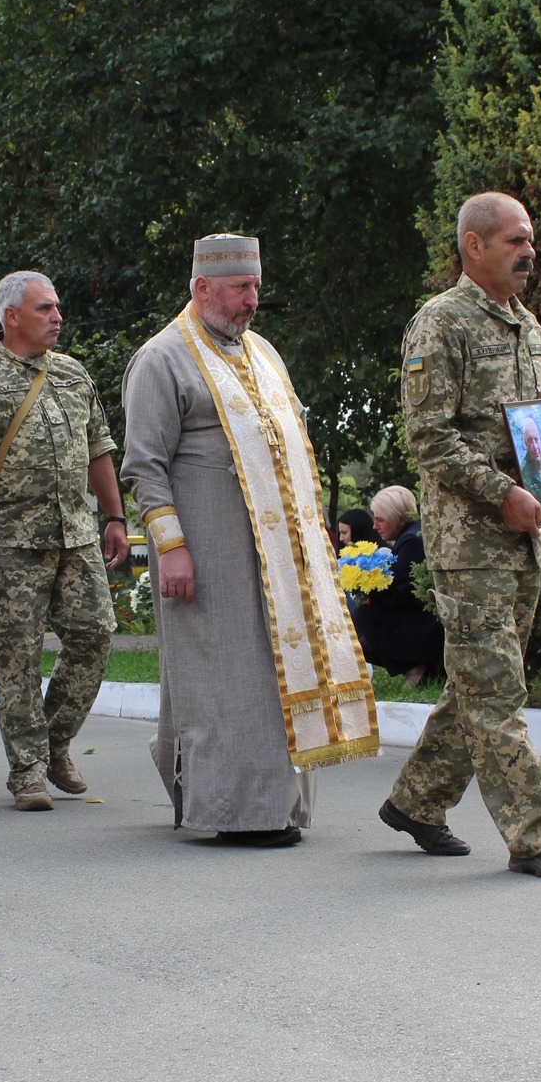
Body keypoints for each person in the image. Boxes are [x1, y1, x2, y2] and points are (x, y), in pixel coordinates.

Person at [121, 234, 378, 845]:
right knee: (221, 679)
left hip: (278, 562)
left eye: (256, 287)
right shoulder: (161, 359)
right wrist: (171, 547)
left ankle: (275, 805)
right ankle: (234, 812)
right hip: (206, 551)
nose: (251, 301)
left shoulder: (262, 352)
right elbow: (144, 466)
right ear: (202, 288)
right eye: (240, 289)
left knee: (271, 675)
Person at [376, 191, 541, 879]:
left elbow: (537, 427)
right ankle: (537, 836)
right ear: (474, 245)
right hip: (470, 547)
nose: (529, 251)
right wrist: (500, 493)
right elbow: (429, 438)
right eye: (514, 240)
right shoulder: (439, 324)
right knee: (498, 692)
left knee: (476, 684)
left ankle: (417, 800)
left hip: (526, 536)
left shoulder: (529, 328)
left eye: (530, 238)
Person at [0, 271, 128, 811]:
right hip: (11, 544)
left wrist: (113, 515)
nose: (57, 317)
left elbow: (99, 447)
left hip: (77, 537)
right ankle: (27, 771)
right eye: (45, 308)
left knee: (94, 638)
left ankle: (54, 743)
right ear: (12, 317)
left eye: (58, 307)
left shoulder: (72, 373)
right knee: (17, 658)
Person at [351, 485, 445, 686]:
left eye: (380, 519)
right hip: (430, 618)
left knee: (363, 616)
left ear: (396, 516)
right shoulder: (414, 534)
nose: (375, 526)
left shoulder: (411, 540)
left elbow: (399, 592)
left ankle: (414, 664)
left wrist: (370, 596)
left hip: (427, 624)